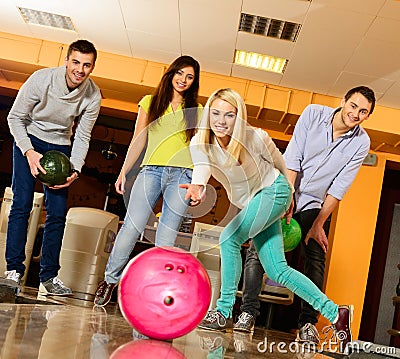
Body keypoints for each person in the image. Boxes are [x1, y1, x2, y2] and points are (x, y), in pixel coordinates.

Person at [181, 88, 354, 353]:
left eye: (229, 115)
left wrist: (290, 198)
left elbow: (281, 163)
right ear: (207, 114)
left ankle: (224, 311)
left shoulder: (254, 137)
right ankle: (336, 313)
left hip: (275, 191)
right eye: (215, 113)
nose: (221, 120)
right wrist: (197, 187)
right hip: (255, 202)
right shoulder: (199, 143)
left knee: (229, 238)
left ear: (238, 118)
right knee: (276, 270)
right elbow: (202, 169)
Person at [235, 86, 374, 345]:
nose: (355, 114)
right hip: (283, 188)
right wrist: (285, 199)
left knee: (315, 254)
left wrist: (318, 223)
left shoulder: (361, 142)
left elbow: (339, 186)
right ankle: (248, 313)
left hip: (313, 203)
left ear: (367, 116)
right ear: (343, 101)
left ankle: (308, 323)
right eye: (353, 106)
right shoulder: (313, 114)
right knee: (257, 248)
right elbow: (293, 157)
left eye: (363, 111)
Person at [94, 55, 201, 307]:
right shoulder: (150, 102)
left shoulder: (198, 111)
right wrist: (124, 172)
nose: (183, 80)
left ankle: (156, 290)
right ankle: (110, 280)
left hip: (183, 176)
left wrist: (199, 183)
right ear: (171, 73)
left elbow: (202, 149)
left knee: (166, 236)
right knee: (132, 226)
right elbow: (138, 139)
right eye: (180, 73)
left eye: (190, 77)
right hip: (151, 170)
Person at [4, 39, 101, 296]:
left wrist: (75, 170)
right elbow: (15, 117)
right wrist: (28, 151)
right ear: (67, 60)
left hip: (60, 147)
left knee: (57, 213)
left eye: (87, 65)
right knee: (22, 204)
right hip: (29, 140)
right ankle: (13, 271)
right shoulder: (41, 79)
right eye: (76, 62)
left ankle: (49, 276)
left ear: (92, 67)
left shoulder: (93, 95)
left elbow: (82, 136)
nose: (80, 69)